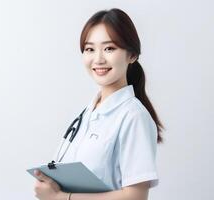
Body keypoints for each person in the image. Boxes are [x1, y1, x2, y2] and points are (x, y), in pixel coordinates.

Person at [33, 8, 164, 200]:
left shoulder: (133, 116)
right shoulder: (85, 113)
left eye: (109, 48)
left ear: (132, 55)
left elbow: (136, 196)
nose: (98, 59)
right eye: (90, 49)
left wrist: (62, 198)